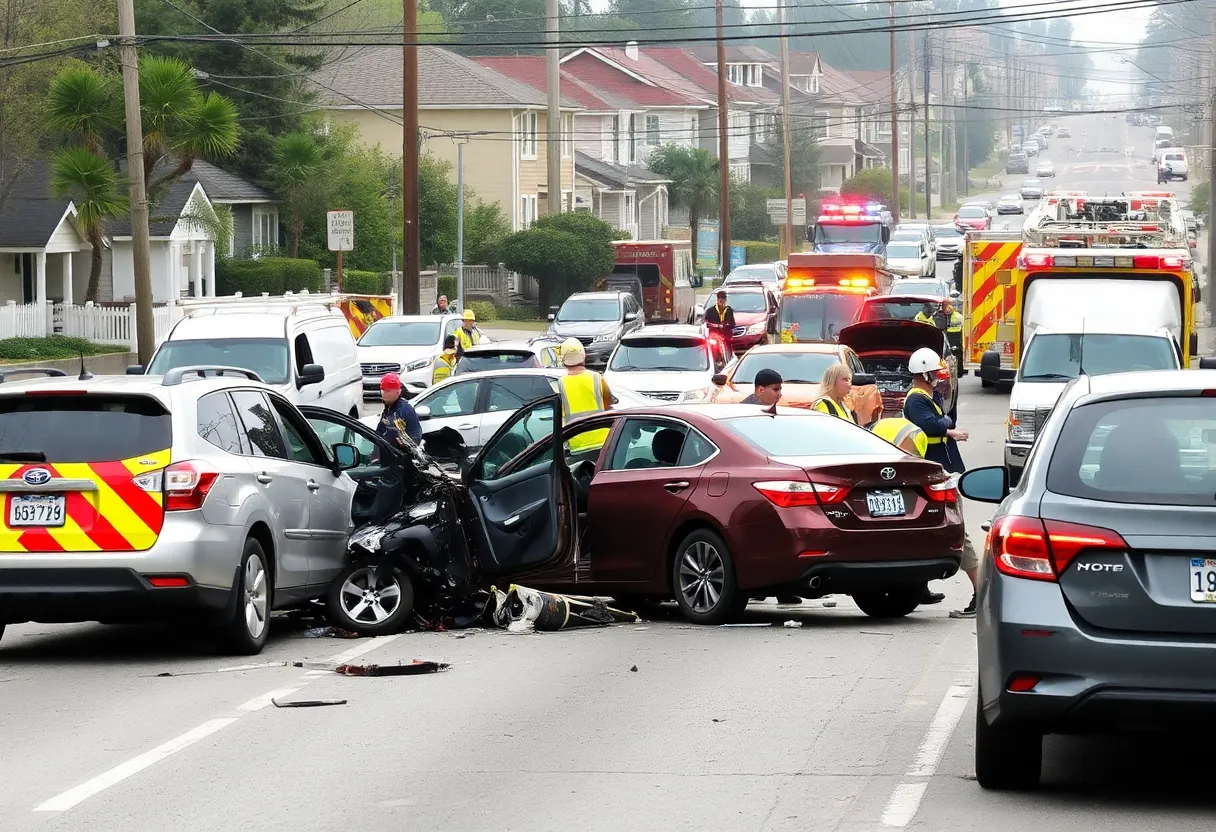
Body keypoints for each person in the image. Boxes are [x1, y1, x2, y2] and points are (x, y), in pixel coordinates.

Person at [902, 347, 978, 617]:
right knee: (952, 532)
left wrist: (945, 422)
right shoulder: (916, 400)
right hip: (933, 472)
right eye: (934, 373)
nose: (938, 377)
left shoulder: (928, 395)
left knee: (951, 531)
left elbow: (946, 418)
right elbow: (933, 426)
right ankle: (979, 594)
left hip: (942, 471)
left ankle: (978, 594)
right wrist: (945, 424)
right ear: (923, 374)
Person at [558, 338, 613, 453]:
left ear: (563, 360)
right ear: (584, 356)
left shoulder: (561, 384)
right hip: (602, 442)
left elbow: (558, 414)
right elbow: (608, 406)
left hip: (576, 445)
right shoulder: (597, 378)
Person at [812, 363, 883, 427]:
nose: (849, 383)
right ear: (833, 382)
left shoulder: (843, 403)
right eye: (845, 379)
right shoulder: (823, 404)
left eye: (849, 379)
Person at [376, 372, 422, 447]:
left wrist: (405, 445)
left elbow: (416, 435)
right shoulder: (388, 407)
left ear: (397, 392)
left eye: (387, 391)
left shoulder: (405, 410)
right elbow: (380, 431)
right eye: (382, 390)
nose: (384, 393)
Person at [704, 289, 736, 354]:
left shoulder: (729, 310)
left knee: (728, 347)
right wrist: (713, 325)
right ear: (717, 299)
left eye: (723, 299)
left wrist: (727, 325)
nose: (722, 300)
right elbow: (705, 323)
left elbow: (732, 324)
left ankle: (729, 356)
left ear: (725, 300)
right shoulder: (710, 311)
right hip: (714, 334)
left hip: (726, 335)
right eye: (720, 299)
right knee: (710, 347)